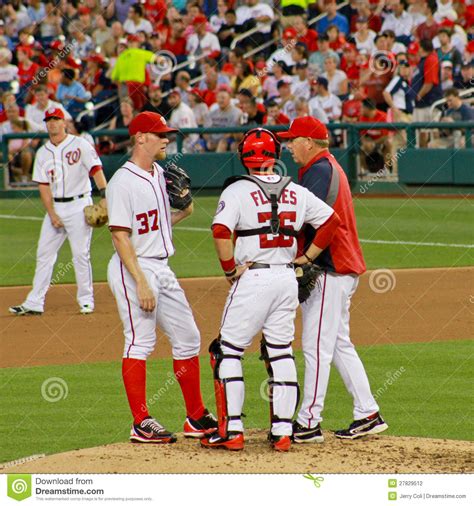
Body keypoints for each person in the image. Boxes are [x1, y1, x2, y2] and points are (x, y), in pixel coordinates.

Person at [201, 127, 339, 451]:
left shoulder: (236, 191)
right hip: (286, 278)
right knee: (280, 351)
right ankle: (282, 432)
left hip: (254, 277)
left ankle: (232, 431)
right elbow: (331, 222)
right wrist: (306, 257)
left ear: (244, 156)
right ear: (275, 154)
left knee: (228, 351)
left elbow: (221, 230)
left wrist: (229, 270)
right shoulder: (296, 190)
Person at [106, 111, 218, 444]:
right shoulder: (122, 182)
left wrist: (183, 210)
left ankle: (196, 416)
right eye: (160, 134)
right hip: (133, 267)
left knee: (188, 336)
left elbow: (155, 225)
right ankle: (140, 421)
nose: (166, 139)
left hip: (161, 267)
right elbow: (121, 236)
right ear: (140, 138)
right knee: (140, 341)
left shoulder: (157, 173)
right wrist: (140, 280)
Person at [277, 116, 388, 443]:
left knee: (315, 346)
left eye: (292, 140)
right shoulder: (325, 167)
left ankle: (309, 420)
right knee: (338, 342)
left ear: (308, 142)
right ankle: (368, 412)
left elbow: (312, 221)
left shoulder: (319, 171)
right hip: (340, 269)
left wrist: (304, 257)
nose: (288, 146)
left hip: (330, 269)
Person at [9, 107, 107, 316]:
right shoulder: (43, 153)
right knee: (44, 254)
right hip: (57, 207)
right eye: (49, 120)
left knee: (80, 255)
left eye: (56, 119)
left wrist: (105, 196)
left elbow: (96, 170)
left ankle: (86, 300)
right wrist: (52, 213)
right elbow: (43, 186)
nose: (52, 123)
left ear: (64, 122)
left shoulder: (80, 144)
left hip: (80, 205)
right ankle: (35, 301)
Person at [411, 39, 442, 147]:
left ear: (422, 48)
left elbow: (429, 83)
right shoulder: (423, 60)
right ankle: (421, 159)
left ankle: (437, 157)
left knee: (432, 131)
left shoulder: (431, 59)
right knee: (420, 133)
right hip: (421, 104)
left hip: (429, 102)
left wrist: (419, 96)